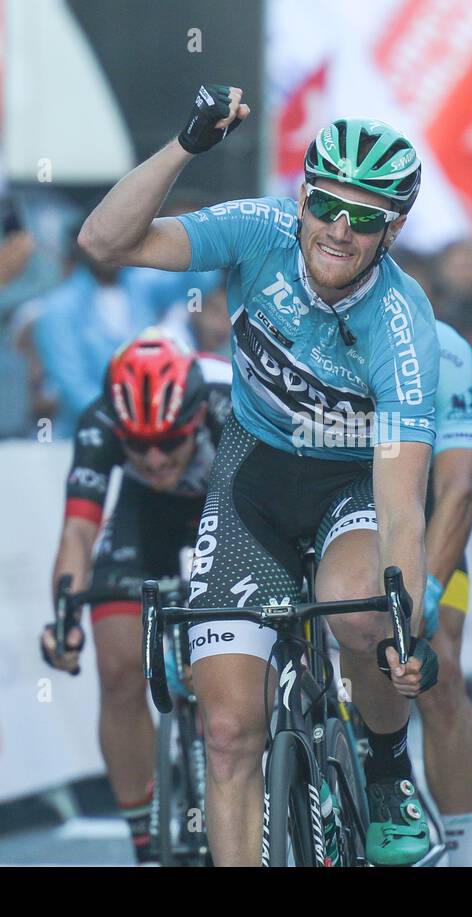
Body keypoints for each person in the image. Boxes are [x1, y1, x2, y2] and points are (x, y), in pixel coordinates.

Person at [80, 88, 442, 867]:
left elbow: (403, 501)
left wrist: (402, 624)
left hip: (353, 482)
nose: (339, 230)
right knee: (228, 731)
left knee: (358, 618)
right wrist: (185, 147)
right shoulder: (263, 229)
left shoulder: (403, 327)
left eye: (366, 215)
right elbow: (105, 242)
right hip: (254, 468)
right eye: (326, 204)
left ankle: (385, 771)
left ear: (394, 230)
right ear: (302, 195)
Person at [39, 332, 231, 864]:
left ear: (193, 419)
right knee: (119, 668)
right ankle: (146, 841)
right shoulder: (101, 421)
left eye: (169, 441)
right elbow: (77, 535)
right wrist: (63, 618)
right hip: (148, 518)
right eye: (137, 444)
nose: (152, 457)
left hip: (234, 504)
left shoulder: (230, 399)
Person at [415, 320, 472, 866]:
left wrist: (430, 587)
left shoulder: (445, 349)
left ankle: (463, 846)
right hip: (334, 514)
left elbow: (458, 488)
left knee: (440, 671)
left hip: (425, 522)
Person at [33, 226, 213, 436]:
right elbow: (74, 389)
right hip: (87, 436)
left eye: (120, 239)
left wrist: (190, 232)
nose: (111, 249)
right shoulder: (58, 308)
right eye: (102, 241)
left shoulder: (140, 284)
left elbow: (201, 281)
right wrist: (135, 421)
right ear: (83, 245)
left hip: (149, 434)